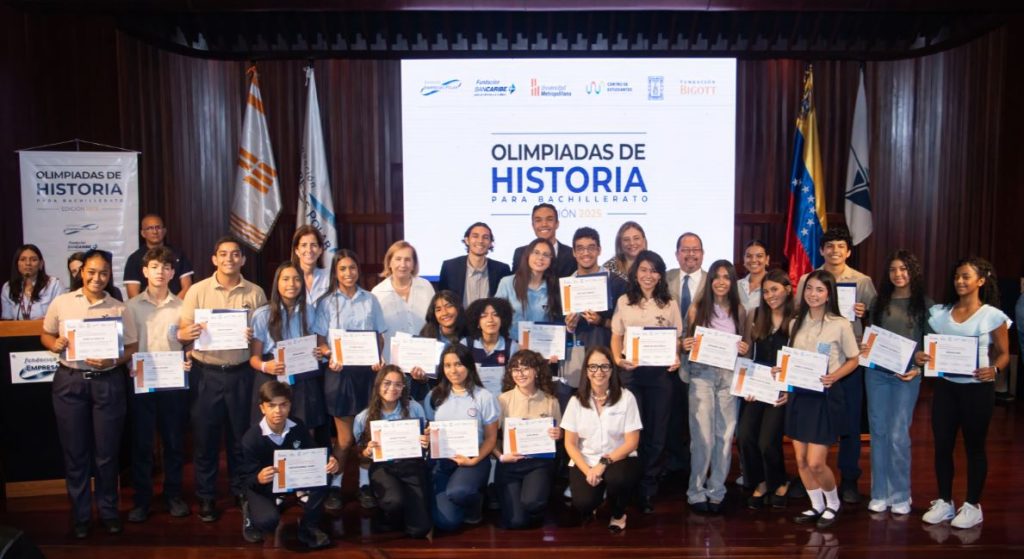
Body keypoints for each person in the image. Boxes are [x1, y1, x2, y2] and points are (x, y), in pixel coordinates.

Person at [40, 249, 139, 538]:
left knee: (107, 454)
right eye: (92, 272)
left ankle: (108, 512)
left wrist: (113, 360)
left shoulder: (119, 308)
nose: (97, 278)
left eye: (104, 273)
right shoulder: (62, 302)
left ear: (110, 275)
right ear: (81, 272)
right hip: (70, 383)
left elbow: (132, 347)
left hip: (108, 383)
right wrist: (54, 344)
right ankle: (81, 515)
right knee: (76, 454)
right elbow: (45, 334)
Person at [176, 236, 267, 522]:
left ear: (243, 259)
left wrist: (253, 336)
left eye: (235, 254)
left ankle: (241, 490)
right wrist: (189, 333)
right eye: (223, 254)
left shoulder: (255, 293)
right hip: (206, 374)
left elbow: (264, 334)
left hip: (242, 374)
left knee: (241, 438)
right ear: (214, 259)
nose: (229, 259)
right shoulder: (197, 291)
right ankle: (206, 496)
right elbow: (182, 331)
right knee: (205, 440)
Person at [921, 257, 1011, 530]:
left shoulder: (992, 316)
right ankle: (944, 501)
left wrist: (994, 369)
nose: (960, 281)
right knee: (942, 445)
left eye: (966, 277)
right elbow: (932, 348)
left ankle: (972, 505)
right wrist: (924, 357)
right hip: (946, 388)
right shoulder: (941, 313)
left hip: (977, 391)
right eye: (957, 276)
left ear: (981, 281)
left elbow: (1004, 354)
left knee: (974, 447)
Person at [795, 224, 877, 504]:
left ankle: (849, 478)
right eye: (829, 246)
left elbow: (877, 317)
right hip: (812, 366)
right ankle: (810, 476)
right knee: (811, 422)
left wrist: (865, 313)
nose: (835, 251)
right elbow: (799, 315)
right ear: (821, 250)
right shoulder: (807, 279)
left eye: (841, 246)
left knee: (849, 422)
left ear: (849, 251)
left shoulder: (862, 281)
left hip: (847, 361)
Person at [784, 270, 860, 529]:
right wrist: (781, 371)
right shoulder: (795, 323)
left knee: (816, 462)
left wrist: (835, 376)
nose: (813, 294)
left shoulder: (840, 324)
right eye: (809, 288)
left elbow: (854, 359)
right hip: (799, 395)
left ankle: (833, 503)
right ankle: (816, 505)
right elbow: (792, 359)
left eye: (819, 289)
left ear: (829, 294)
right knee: (801, 460)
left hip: (825, 397)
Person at [313, 249, 387, 509]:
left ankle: (364, 485)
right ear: (335, 272)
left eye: (352, 268)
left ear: (358, 270)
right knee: (344, 440)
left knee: (367, 436)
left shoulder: (371, 300)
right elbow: (320, 341)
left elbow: (379, 336)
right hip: (339, 376)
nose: (348, 273)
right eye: (343, 268)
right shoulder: (325, 302)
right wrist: (328, 354)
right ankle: (335, 487)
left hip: (368, 375)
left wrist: (378, 356)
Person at [610, 250, 682, 513]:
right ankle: (629, 484)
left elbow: (676, 338)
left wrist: (676, 356)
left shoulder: (669, 303)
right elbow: (616, 335)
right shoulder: (624, 301)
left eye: (654, 270)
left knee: (657, 433)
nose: (648, 275)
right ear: (635, 273)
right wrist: (617, 359)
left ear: (660, 275)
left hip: (660, 376)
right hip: (632, 374)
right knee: (632, 431)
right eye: (643, 270)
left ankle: (648, 487)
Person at [124, 247, 192, 522]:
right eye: (154, 267)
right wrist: (128, 363)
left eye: (166, 267)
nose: (160, 272)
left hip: (173, 384)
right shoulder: (130, 307)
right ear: (145, 271)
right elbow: (126, 344)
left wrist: (189, 357)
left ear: (173, 273)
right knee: (142, 444)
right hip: (141, 382)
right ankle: (142, 500)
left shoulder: (183, 307)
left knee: (174, 443)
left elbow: (189, 342)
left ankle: (173, 495)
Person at [864, 250, 932, 515]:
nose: (898, 274)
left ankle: (901, 494)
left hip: (907, 377)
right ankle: (879, 492)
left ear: (913, 271)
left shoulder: (925, 304)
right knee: (879, 432)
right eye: (893, 269)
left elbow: (930, 346)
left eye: (903, 269)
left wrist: (918, 369)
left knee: (898, 434)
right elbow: (872, 337)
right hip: (877, 375)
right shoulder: (878, 302)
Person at [681, 260, 749, 514]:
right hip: (702, 375)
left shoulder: (740, 310)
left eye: (726, 277)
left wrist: (744, 348)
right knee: (702, 437)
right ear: (709, 281)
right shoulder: (696, 308)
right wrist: (685, 344)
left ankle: (717, 489)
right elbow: (685, 341)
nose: (721, 282)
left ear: (732, 282)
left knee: (725, 436)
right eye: (716, 277)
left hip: (728, 376)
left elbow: (746, 347)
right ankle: (695, 490)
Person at [238, 381, 337, 549]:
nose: (278, 411)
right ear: (262, 408)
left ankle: (309, 526)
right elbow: (245, 479)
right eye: (272, 406)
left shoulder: (298, 426)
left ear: (290, 405)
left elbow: (314, 453)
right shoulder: (251, 438)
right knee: (268, 521)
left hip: (292, 478)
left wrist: (330, 461)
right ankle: (250, 512)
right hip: (264, 485)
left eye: (283, 405)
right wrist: (258, 478)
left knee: (325, 473)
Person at [561, 346, 642, 532]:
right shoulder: (576, 401)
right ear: (586, 371)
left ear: (612, 370)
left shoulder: (626, 398)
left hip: (619, 458)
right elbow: (570, 444)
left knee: (619, 479)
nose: (599, 372)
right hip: (587, 460)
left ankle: (618, 514)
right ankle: (600, 496)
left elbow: (632, 442)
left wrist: (602, 464)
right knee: (583, 503)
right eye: (593, 367)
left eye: (604, 366)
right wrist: (588, 471)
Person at [423, 344, 500, 531]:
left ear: (469, 366)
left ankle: (474, 504)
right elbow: (431, 429)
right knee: (446, 523)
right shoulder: (434, 396)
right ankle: (456, 499)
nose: (453, 370)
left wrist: (474, 461)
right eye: (447, 365)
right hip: (443, 461)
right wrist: (427, 438)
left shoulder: (484, 397)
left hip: (474, 459)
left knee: (460, 492)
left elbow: (491, 438)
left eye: (458, 364)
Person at [737, 269, 794, 509]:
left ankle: (779, 481)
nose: (770, 295)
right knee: (745, 435)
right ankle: (760, 481)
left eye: (775, 290)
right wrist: (745, 385)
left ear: (788, 290)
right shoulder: (755, 314)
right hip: (756, 387)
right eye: (766, 291)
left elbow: (801, 359)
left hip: (781, 390)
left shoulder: (796, 320)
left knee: (767, 441)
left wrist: (789, 390)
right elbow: (748, 353)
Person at [249, 261, 327, 437]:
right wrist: (265, 366)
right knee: (272, 432)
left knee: (305, 431)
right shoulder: (262, 314)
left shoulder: (310, 311)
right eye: (285, 279)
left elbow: (317, 344)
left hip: (303, 378)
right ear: (277, 283)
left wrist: (317, 353)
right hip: (272, 376)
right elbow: (253, 359)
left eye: (296, 279)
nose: (291, 284)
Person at [356, 366, 432, 538]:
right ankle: (388, 515)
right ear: (378, 385)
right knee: (393, 502)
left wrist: (426, 441)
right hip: (383, 467)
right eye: (387, 383)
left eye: (398, 384)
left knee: (420, 529)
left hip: (412, 465)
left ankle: (407, 512)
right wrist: (367, 451)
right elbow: (360, 453)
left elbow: (425, 440)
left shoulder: (414, 408)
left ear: (403, 387)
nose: (392, 388)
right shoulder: (363, 417)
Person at [493, 349, 561, 529]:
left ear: (536, 371)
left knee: (533, 503)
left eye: (525, 368)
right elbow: (490, 437)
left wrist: (558, 434)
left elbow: (560, 432)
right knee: (516, 522)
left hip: (539, 464)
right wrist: (501, 456)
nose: (520, 374)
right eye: (515, 369)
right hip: (510, 464)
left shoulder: (550, 401)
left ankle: (535, 506)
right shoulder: (503, 400)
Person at [565, 227, 628, 397]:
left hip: (609, 359)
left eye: (591, 248)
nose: (586, 253)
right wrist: (569, 327)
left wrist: (601, 321)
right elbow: (557, 327)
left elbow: (626, 327)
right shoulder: (566, 286)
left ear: (599, 250)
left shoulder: (617, 284)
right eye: (580, 248)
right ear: (574, 253)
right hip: (577, 361)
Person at [665, 232, 706, 475]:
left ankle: (696, 466)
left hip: (701, 364)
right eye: (685, 250)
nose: (690, 254)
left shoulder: (713, 281)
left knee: (698, 418)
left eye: (695, 249)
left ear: (703, 253)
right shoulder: (664, 278)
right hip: (668, 362)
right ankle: (675, 465)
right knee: (672, 416)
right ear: (677, 254)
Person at [372, 240, 435, 362]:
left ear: (413, 264)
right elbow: (375, 332)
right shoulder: (377, 292)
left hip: (424, 358)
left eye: (407, 260)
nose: (403, 264)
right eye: (398, 259)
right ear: (389, 262)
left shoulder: (426, 287)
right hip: (392, 362)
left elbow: (434, 322)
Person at [495, 238, 563, 346]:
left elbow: (556, 322)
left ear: (551, 260)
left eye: (546, 255)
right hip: (512, 347)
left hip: (542, 347)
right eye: (536, 253)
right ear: (527, 256)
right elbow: (497, 316)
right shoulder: (507, 283)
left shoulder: (554, 287)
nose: (540, 258)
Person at [410, 290, 467, 401]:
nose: (444, 313)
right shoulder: (427, 334)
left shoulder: (469, 335)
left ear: (458, 308)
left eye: (449, 306)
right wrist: (422, 378)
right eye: (438, 309)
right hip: (436, 395)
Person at [437, 222, 512, 307]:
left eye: (485, 237)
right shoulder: (450, 267)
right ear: (467, 240)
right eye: (475, 236)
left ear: (490, 243)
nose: (480, 241)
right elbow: (442, 301)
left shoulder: (502, 270)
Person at [122, 214, 194, 299]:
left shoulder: (178, 254)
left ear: (164, 231)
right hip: (146, 306)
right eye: (150, 228)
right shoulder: (134, 259)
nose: (155, 232)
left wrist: (173, 305)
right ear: (143, 233)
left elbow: (187, 287)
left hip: (176, 304)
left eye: (158, 227)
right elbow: (133, 295)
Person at [510, 203, 576, 278]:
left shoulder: (572, 254)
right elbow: (515, 282)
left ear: (557, 224)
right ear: (533, 225)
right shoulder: (520, 253)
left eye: (549, 219)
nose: (544, 224)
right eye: (538, 220)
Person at [2, 243, 65, 320]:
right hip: (18, 328)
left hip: (46, 327)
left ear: (41, 264)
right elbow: (6, 319)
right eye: (23, 259)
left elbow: (60, 314)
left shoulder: (54, 284)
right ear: (17, 264)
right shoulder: (8, 287)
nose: (28, 263)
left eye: (33, 260)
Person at [292, 225, 331, 305]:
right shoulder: (288, 278)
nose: (309, 250)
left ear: (320, 250)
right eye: (304, 245)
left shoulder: (330, 276)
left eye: (313, 245)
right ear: (297, 250)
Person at [738, 240, 770, 312]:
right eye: (749, 256)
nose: (753, 260)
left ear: (767, 259)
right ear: (744, 259)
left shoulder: (775, 285)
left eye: (759, 256)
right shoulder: (737, 285)